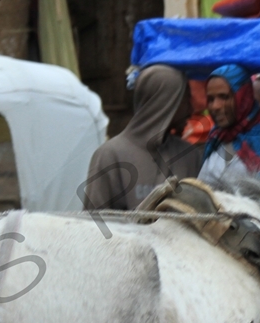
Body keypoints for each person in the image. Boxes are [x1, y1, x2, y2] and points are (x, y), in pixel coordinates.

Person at [82, 63, 202, 212]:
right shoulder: (109, 156)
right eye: (185, 99)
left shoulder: (190, 156)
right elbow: (94, 225)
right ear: (165, 103)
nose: (192, 108)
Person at [198, 64, 260, 185]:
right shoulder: (215, 138)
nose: (215, 106)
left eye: (224, 97)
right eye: (211, 99)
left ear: (243, 97)